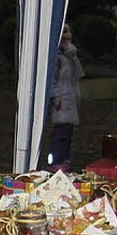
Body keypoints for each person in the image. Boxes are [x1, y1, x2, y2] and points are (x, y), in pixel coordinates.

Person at [47, 23, 84, 171]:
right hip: (61, 100)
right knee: (61, 132)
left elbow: (77, 75)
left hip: (70, 98)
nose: (67, 36)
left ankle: (64, 159)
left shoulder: (69, 56)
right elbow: (52, 80)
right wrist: (55, 96)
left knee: (67, 132)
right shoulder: (57, 58)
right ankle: (57, 162)